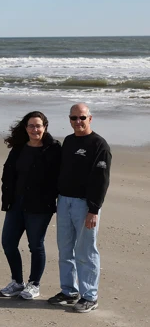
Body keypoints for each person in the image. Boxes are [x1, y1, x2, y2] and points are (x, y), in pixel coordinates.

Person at [48, 103, 111, 313]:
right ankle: (69, 291)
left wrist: (94, 209)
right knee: (65, 249)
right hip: (64, 201)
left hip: (85, 205)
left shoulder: (99, 144)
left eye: (82, 118)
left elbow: (101, 180)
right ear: (69, 120)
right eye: (74, 118)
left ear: (90, 118)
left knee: (85, 250)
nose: (78, 122)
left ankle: (90, 296)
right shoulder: (68, 141)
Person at [0, 111, 61, 299]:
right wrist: (7, 198)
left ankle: (34, 284)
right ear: (26, 128)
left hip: (40, 207)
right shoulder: (18, 148)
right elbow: (8, 174)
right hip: (16, 204)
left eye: (38, 126)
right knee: (8, 243)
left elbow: (62, 177)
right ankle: (17, 282)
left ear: (45, 127)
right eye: (31, 126)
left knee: (36, 245)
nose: (35, 129)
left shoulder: (54, 149)